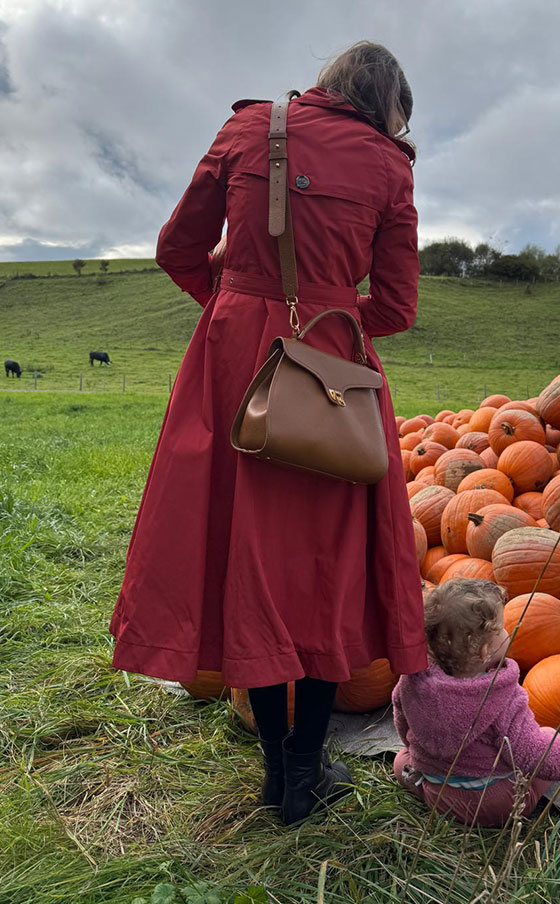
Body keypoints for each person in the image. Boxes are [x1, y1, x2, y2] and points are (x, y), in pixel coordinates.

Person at [109, 41, 428, 824]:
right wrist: (334, 326)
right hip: (331, 375)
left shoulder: (249, 129)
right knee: (324, 565)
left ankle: (274, 771)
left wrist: (231, 307)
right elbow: (397, 304)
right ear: (388, 106)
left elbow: (176, 248)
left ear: (324, 84)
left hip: (232, 368)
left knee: (239, 548)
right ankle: (304, 773)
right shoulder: (390, 167)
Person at [392, 579, 560, 827]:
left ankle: (417, 782)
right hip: (491, 802)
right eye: (502, 628)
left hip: (438, 787)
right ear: (485, 652)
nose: (508, 631)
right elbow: (530, 751)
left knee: (403, 758)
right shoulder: (501, 698)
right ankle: (524, 799)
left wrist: (418, 750)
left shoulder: (413, 679)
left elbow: (402, 720)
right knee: (548, 736)